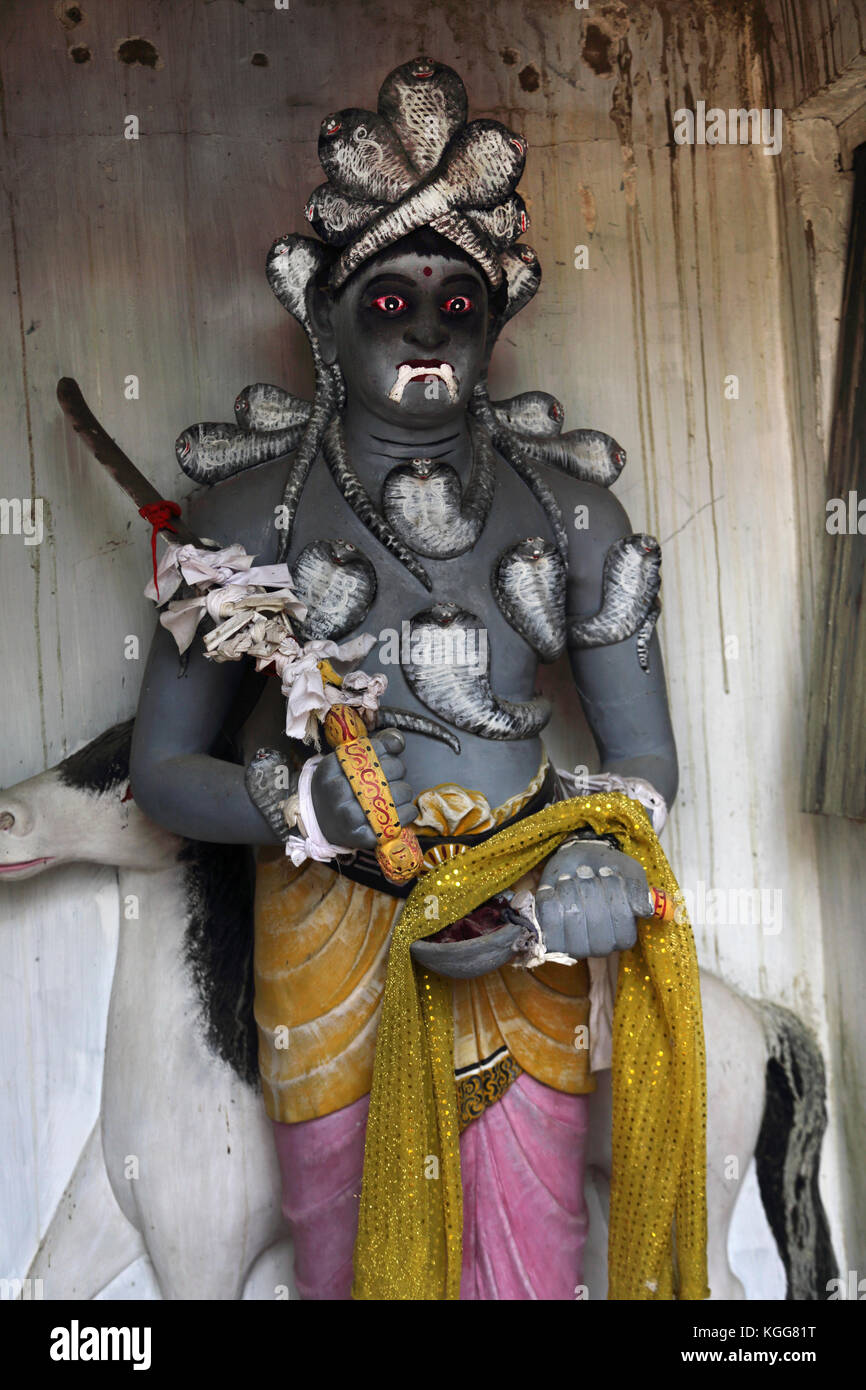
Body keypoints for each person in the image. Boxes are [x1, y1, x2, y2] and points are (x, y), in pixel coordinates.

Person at [130, 56, 704, 1302]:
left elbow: (642, 756)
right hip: (331, 933)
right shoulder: (244, 517)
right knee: (347, 1260)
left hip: (523, 917)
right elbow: (159, 775)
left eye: (460, 301)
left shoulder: (572, 514)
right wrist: (301, 808)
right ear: (327, 322)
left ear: (495, 326)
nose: (432, 328)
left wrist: (594, 857)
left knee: (530, 1263)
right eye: (391, 302)